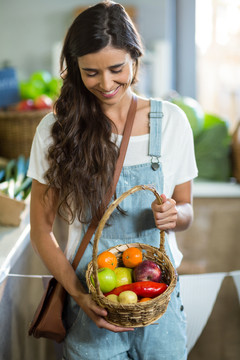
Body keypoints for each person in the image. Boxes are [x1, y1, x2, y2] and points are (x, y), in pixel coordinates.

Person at [28, 1, 198, 359]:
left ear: (136, 58)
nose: (106, 84)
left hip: (158, 302)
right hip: (90, 300)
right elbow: (41, 230)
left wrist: (174, 214)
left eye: (116, 68)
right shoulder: (56, 129)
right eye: (90, 72)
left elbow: (186, 211)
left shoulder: (170, 122)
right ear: (74, 69)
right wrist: (79, 295)